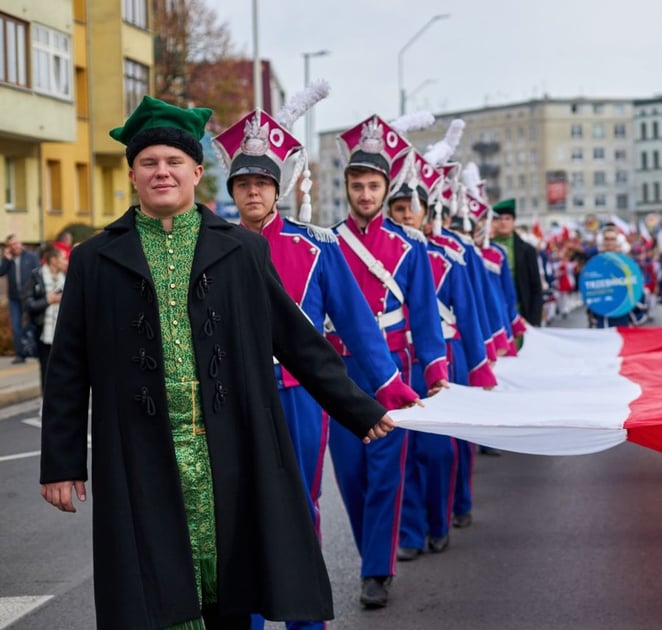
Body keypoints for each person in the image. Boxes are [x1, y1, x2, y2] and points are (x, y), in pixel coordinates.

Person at [38, 95, 400, 630]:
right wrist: (62, 463)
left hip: (226, 449)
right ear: (133, 175)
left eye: (173, 162)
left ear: (196, 172)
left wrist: (359, 408)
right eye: (150, 163)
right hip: (139, 453)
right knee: (152, 586)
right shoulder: (94, 259)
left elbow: (297, 339)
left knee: (231, 583)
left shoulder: (241, 251)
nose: (162, 172)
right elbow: (67, 366)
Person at [213, 104, 423, 629]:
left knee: (298, 506)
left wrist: (389, 386)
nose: (254, 192)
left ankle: (304, 619)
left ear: (279, 187)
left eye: (263, 182)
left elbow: (356, 324)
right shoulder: (210, 249)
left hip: (297, 394)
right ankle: (249, 617)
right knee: (234, 510)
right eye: (243, 184)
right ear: (232, 190)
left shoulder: (316, 247)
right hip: (233, 397)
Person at [327, 114, 449, 608]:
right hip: (339, 372)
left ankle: (376, 570)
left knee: (384, 472)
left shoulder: (409, 246)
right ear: (348, 188)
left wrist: (436, 370)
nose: (365, 194)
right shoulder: (327, 242)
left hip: (392, 371)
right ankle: (368, 553)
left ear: (385, 186)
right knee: (351, 475)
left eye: (373, 185)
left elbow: (424, 316)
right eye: (357, 185)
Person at [388, 181, 496, 560]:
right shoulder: (385, 254)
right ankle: (411, 533)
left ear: (425, 213)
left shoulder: (450, 257)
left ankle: (441, 518)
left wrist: (481, 364)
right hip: (397, 359)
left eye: (410, 209)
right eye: (398, 209)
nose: (405, 216)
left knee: (439, 450)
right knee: (404, 450)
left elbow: (468, 311)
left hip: (443, 355)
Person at [490, 198, 543, 329]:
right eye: (499, 219)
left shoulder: (527, 250)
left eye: (507, 219)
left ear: (514, 221)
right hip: (492, 310)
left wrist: (534, 320)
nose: (503, 223)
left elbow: (536, 287)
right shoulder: (484, 247)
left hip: (520, 312)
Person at [23, 244, 67, 390]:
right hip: (43, 332)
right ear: (53, 260)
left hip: (63, 332)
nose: (66, 261)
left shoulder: (66, 277)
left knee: (64, 371)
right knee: (46, 370)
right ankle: (46, 403)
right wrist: (48, 300)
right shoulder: (37, 276)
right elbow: (28, 303)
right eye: (63, 258)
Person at [587, 226, 649, 328]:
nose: (609, 242)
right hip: (602, 316)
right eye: (606, 239)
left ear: (618, 241)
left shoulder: (628, 264)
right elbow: (589, 289)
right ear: (602, 241)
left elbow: (638, 290)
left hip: (624, 315)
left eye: (613, 239)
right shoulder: (595, 264)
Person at [0, 234, 40, 363]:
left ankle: (34, 350)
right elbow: (1, 272)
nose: (15, 246)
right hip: (14, 298)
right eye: (12, 245)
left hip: (29, 297)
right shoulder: (8, 260)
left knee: (31, 325)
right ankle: (20, 354)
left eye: (16, 243)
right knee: (16, 326)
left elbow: (38, 273)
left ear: (21, 243)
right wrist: (6, 260)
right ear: (8, 247)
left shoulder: (31, 257)